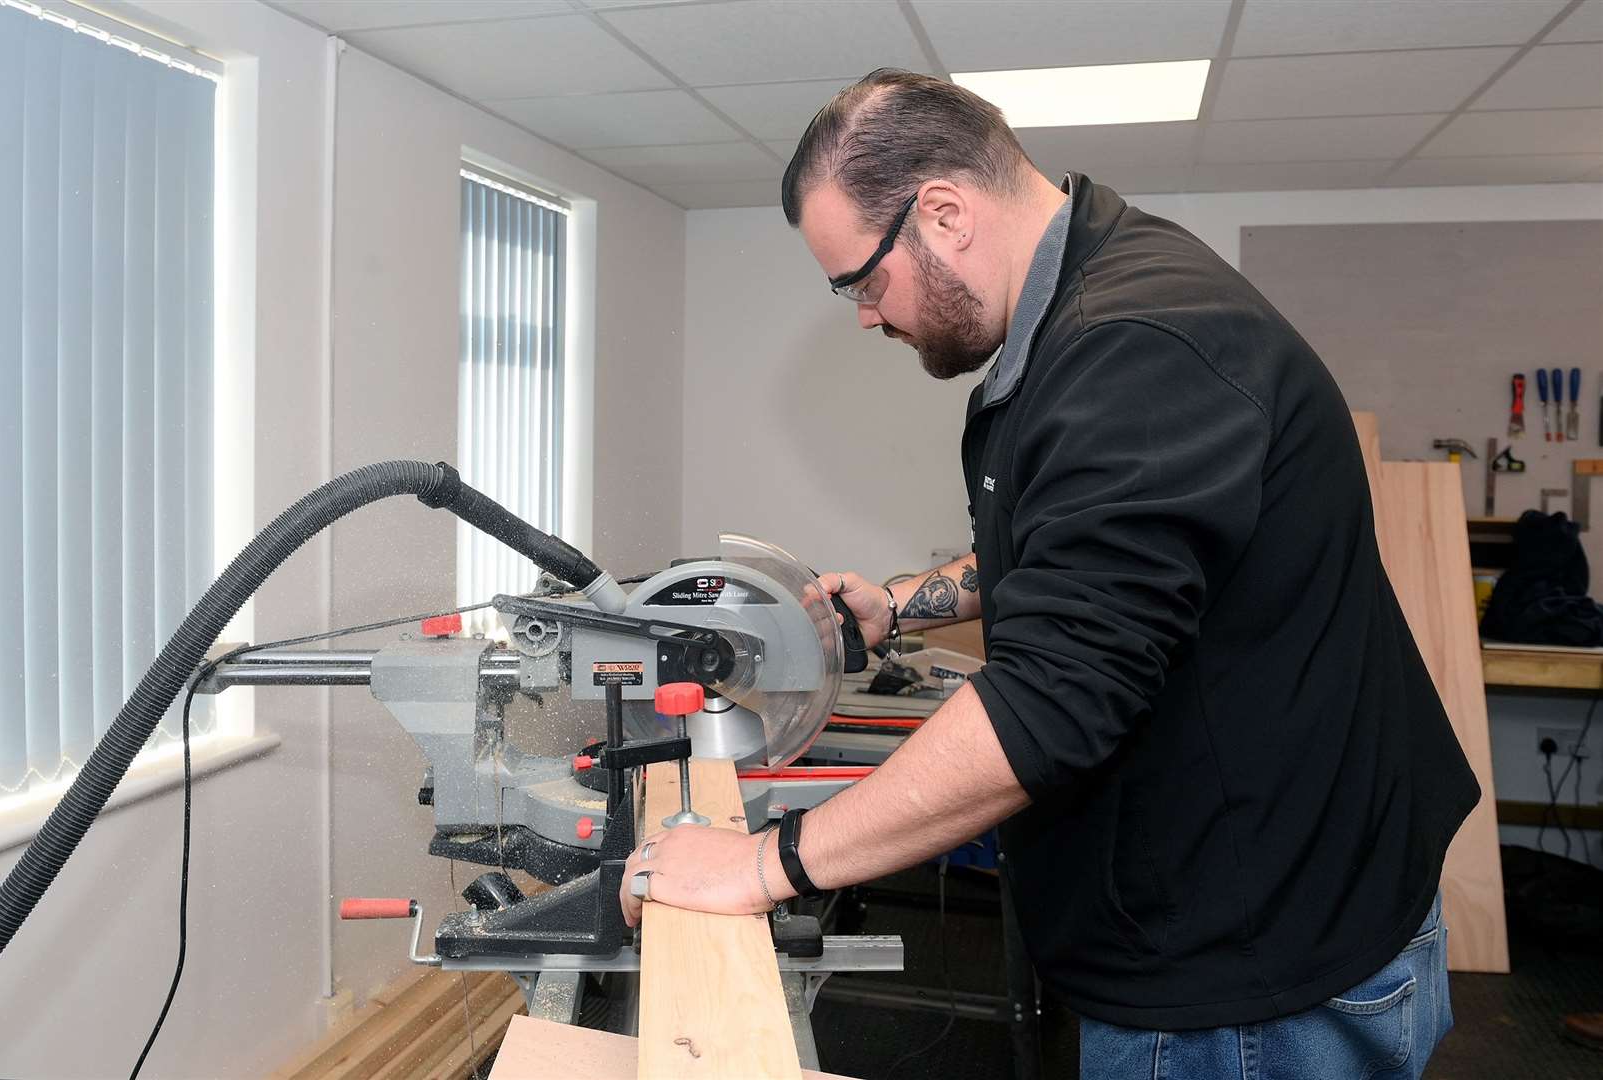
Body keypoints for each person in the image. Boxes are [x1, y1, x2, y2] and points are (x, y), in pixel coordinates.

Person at [619, 68, 1480, 1080]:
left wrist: (764, 864)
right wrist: (899, 607)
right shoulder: (1096, 281)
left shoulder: (1136, 349)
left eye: (859, 281)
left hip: (1250, 969)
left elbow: (1051, 703)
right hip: (1258, 891)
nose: (865, 316)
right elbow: (1087, 549)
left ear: (942, 212)